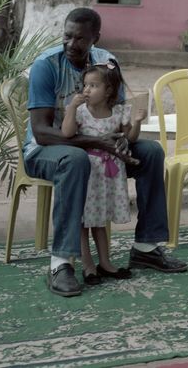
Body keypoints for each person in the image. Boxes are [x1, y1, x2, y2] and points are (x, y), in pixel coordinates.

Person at [25, 8, 188, 298]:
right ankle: (60, 263)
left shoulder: (106, 62)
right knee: (75, 161)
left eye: (80, 38)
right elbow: (40, 131)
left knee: (150, 152)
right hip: (47, 151)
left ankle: (146, 248)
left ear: (95, 38)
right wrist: (96, 143)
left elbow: (119, 116)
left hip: (100, 146)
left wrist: (123, 140)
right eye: (67, 36)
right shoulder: (46, 65)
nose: (71, 44)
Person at [60, 60, 144, 285]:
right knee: (83, 221)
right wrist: (70, 108)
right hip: (88, 173)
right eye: (85, 85)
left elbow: (130, 138)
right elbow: (67, 133)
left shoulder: (118, 112)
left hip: (108, 175)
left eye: (93, 85)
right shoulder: (80, 112)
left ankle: (105, 263)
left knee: (99, 220)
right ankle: (88, 266)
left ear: (108, 91)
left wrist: (136, 123)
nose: (86, 90)